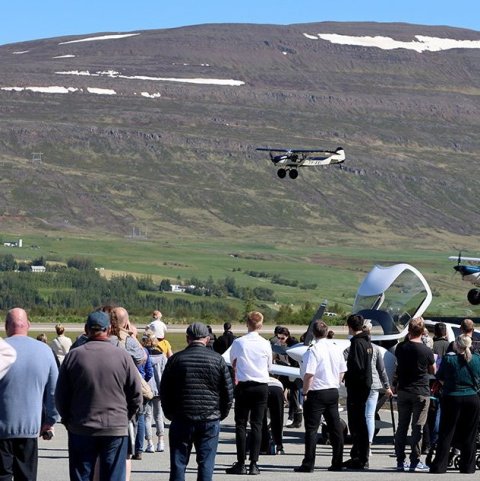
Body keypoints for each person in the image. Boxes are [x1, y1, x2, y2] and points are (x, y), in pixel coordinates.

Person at [55, 310, 142, 481]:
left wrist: (68, 420)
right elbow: (136, 394)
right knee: (113, 476)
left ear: (86, 329)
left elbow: (60, 395)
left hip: (81, 426)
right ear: (109, 329)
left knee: (82, 475)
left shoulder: (74, 356)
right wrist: (125, 417)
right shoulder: (123, 356)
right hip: (115, 426)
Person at [160, 322, 233, 481]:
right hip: (209, 417)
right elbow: (228, 392)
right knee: (206, 463)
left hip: (181, 417)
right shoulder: (218, 360)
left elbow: (165, 391)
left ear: (188, 339)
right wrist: (220, 414)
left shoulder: (175, 360)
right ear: (207, 339)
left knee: (178, 463)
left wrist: (170, 413)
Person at [0, 308, 59, 481]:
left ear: (6, 326)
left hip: (2, 430)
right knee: (26, 477)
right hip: (29, 429)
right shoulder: (45, 351)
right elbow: (54, 391)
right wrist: (50, 420)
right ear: (29, 325)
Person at [294, 320, 347, 473]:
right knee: (335, 428)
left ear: (313, 333)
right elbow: (342, 370)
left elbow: (309, 374)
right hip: (332, 391)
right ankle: (337, 461)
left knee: (311, 429)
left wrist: (304, 392)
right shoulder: (335, 348)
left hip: (317, 392)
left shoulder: (313, 350)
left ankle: (308, 463)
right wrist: (334, 382)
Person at [226, 311, 272, 475]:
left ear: (247, 323)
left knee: (241, 424)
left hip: (245, 385)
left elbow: (232, 361)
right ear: (260, 325)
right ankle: (254, 463)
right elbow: (269, 365)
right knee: (257, 425)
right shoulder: (265, 343)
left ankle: (241, 462)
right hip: (261, 385)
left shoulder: (239, 342)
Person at [430, 334, 480, 474]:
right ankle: (468, 466)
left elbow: (439, 377)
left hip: (452, 397)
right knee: (470, 433)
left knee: (447, 432)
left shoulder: (449, 360)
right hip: (472, 397)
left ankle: (440, 465)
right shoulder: (477, 359)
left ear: (457, 345)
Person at [393, 317, 435, 472]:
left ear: (409, 330)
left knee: (402, 426)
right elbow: (433, 370)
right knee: (418, 427)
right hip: (420, 390)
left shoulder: (401, 347)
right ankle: (415, 460)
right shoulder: (426, 350)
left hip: (404, 389)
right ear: (422, 331)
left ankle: (399, 459)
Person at [342, 313, 373, 470]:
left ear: (350, 326)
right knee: (359, 422)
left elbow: (358, 366)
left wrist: (347, 374)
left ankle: (361, 457)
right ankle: (358, 454)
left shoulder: (357, 343)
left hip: (357, 387)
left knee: (357, 422)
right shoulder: (367, 342)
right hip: (364, 386)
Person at [362, 320, 392, 453]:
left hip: (359, 385)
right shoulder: (375, 349)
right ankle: (368, 444)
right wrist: (387, 386)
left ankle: (361, 443)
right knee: (369, 415)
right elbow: (382, 370)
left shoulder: (353, 347)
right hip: (374, 384)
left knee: (360, 415)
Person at [142, 330, 168, 453]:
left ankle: (149, 443)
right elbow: (165, 373)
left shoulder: (143, 356)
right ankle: (161, 441)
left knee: (147, 417)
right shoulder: (162, 356)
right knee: (158, 416)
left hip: (147, 389)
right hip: (159, 389)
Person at [274, 327, 302, 428]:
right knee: (279, 391)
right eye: (279, 338)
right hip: (284, 371)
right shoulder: (277, 344)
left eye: (282, 338)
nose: (280, 340)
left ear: (287, 336)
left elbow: (296, 360)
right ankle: (277, 417)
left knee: (293, 396)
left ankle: (296, 419)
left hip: (294, 371)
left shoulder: (293, 344)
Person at [260, 377, 285, 455]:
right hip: (277, 389)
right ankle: (279, 446)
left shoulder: (258, 377)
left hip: (263, 388)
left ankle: (263, 446)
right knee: (278, 418)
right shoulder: (277, 380)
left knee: (261, 418)